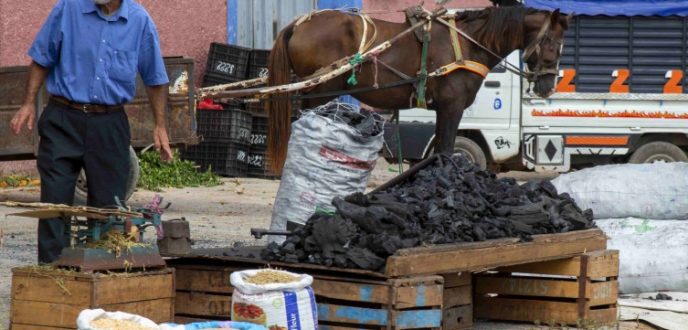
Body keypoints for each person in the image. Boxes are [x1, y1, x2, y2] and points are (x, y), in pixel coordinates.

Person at [9, 0, 174, 264]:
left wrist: (160, 126)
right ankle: (54, 275)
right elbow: (41, 58)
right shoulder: (68, 9)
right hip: (63, 118)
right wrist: (28, 103)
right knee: (54, 206)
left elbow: (155, 78)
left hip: (109, 123)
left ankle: (100, 275)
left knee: (108, 209)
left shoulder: (139, 21)